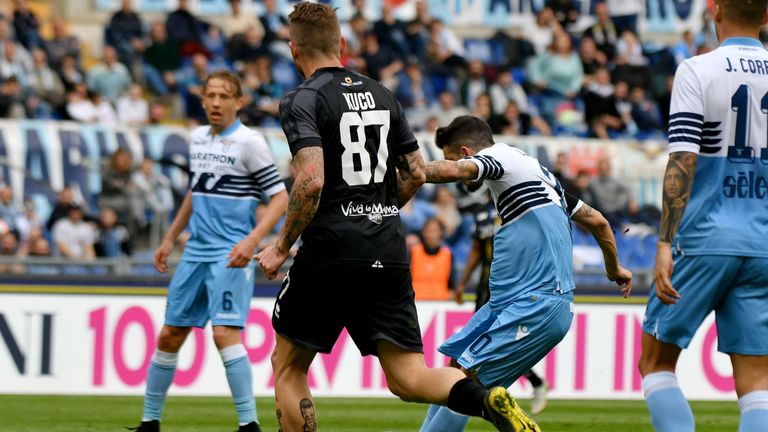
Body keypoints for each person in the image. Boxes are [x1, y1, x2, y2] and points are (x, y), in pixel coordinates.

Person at [254, 3, 539, 432]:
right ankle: (485, 399)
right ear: (343, 45)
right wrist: (380, 209)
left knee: (289, 365)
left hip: (330, 250)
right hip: (387, 245)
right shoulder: (384, 94)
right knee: (409, 377)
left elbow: (311, 182)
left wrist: (280, 247)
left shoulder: (302, 98)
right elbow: (418, 172)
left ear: (294, 50)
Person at [417, 115, 632, 432]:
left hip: (537, 303)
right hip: (509, 303)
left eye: (452, 155)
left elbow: (453, 170)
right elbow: (598, 221)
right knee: (453, 374)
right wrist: (614, 268)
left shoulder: (499, 159)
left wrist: (404, 170)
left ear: (466, 152)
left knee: (467, 380)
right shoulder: (540, 176)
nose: (462, 181)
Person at [130, 70, 289, 432]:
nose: (216, 102)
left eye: (224, 96)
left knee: (224, 334)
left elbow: (281, 197)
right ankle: (149, 422)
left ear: (239, 102)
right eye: (210, 95)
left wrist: (252, 241)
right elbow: (195, 191)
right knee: (170, 333)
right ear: (202, 100)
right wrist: (170, 237)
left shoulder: (251, 143)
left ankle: (248, 425)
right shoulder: (198, 138)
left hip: (230, 253)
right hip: (195, 251)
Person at [638, 2, 768, 432]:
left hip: (704, 237)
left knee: (655, 362)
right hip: (762, 245)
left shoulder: (697, 69)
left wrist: (663, 242)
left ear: (714, 9)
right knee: (757, 383)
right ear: (766, 18)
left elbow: (683, 161)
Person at [453, 193, 550, 416]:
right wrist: (462, 283)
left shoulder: (519, 209)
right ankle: (528, 383)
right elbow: (477, 250)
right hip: (485, 288)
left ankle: (481, 389)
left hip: (512, 287)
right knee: (481, 340)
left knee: (498, 340)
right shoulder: (480, 212)